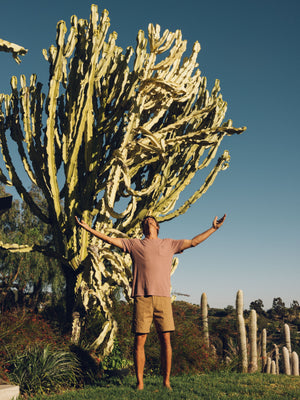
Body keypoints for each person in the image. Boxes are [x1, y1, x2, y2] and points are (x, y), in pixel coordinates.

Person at [75, 213, 226, 390]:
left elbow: (193, 242)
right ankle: (140, 383)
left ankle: (166, 381)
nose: (148, 222)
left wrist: (213, 229)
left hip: (163, 298)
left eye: (151, 221)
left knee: (166, 342)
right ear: (143, 228)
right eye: (145, 221)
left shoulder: (169, 244)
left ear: (157, 227)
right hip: (142, 298)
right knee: (139, 342)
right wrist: (88, 229)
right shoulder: (134, 244)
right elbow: (110, 239)